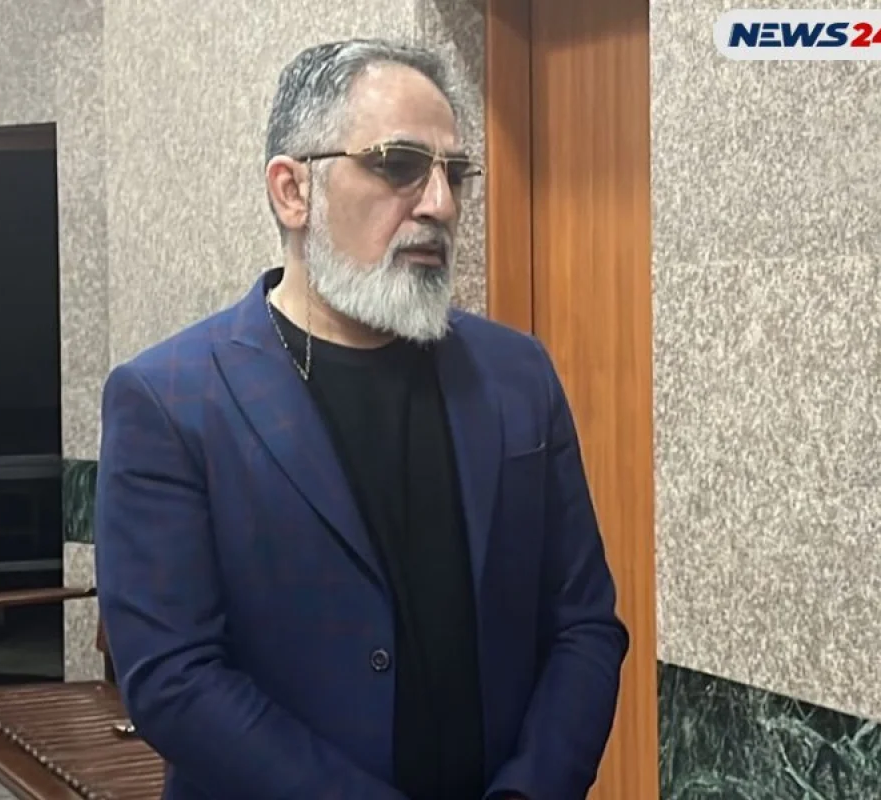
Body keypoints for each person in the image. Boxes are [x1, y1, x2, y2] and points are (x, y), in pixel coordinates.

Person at [95, 38, 629, 800]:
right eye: (398, 164)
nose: (440, 204)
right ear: (293, 191)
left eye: (454, 173)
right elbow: (175, 680)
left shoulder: (516, 376)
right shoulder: (170, 400)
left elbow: (584, 624)